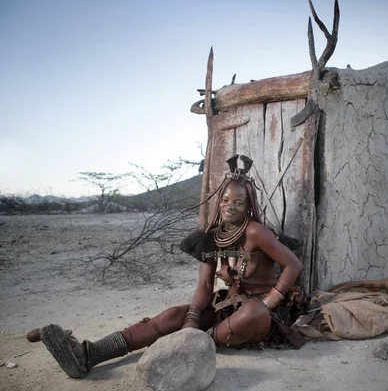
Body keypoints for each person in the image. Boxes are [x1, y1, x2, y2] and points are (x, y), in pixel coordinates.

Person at [35, 154, 304, 379]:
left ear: (248, 206)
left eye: (238, 202)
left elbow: (293, 265)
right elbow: (203, 285)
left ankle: (198, 344)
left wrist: (268, 303)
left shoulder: (256, 232)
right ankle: (89, 353)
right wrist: (192, 318)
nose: (230, 207)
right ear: (217, 201)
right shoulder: (211, 236)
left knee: (253, 312)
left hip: (261, 314)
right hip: (229, 307)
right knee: (174, 315)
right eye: (225, 200)